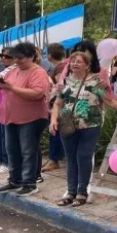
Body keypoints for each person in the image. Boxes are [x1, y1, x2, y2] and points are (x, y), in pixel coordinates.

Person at [51, 51, 117, 206]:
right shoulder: (66, 82)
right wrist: (53, 120)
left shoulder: (95, 83)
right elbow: (58, 103)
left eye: (79, 61)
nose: (75, 64)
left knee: (84, 157)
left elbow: (108, 100)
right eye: (73, 61)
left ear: (87, 65)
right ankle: (71, 191)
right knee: (71, 159)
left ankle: (82, 192)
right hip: (68, 124)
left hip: (90, 125)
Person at [0, 42, 51, 197]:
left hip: (31, 118)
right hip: (11, 117)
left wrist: (11, 88)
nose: (18, 61)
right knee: (12, 150)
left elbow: (37, 93)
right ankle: (15, 180)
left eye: (21, 58)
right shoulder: (14, 70)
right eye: (16, 58)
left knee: (28, 151)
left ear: (32, 56)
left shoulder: (38, 73)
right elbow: (3, 83)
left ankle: (29, 183)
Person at [43, 43, 67, 172]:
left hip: (57, 104)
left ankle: (54, 160)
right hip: (56, 104)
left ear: (50, 55)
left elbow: (60, 87)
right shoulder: (61, 67)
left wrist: (53, 103)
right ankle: (53, 159)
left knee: (54, 131)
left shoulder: (59, 68)